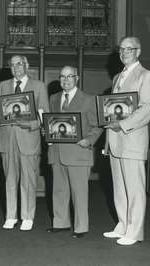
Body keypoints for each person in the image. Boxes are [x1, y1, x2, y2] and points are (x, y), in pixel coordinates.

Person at [104, 36, 150, 246]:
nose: (124, 52)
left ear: (138, 51)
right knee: (119, 187)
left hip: (132, 138)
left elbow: (146, 108)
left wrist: (122, 125)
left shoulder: (146, 75)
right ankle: (123, 225)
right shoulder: (117, 77)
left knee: (134, 188)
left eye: (129, 49)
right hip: (116, 139)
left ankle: (135, 231)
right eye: (121, 49)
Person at [46, 66, 102, 238]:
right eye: (62, 77)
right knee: (59, 190)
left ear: (77, 78)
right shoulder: (54, 98)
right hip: (57, 152)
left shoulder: (88, 99)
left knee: (79, 192)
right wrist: (46, 133)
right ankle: (61, 223)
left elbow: (97, 125)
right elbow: (50, 122)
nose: (66, 80)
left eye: (70, 76)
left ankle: (80, 227)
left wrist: (89, 140)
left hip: (79, 152)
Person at [0, 55, 49, 231]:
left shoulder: (39, 86)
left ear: (26, 66)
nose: (15, 68)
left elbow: (44, 114)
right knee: (9, 179)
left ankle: (27, 216)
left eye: (19, 64)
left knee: (28, 180)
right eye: (12, 65)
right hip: (7, 139)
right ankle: (11, 216)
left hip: (28, 138)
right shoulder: (3, 86)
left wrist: (31, 124)